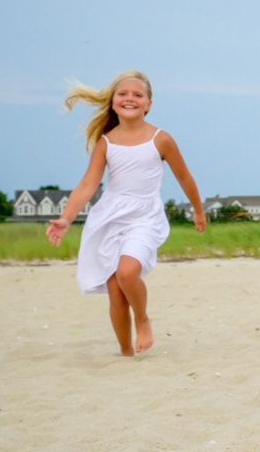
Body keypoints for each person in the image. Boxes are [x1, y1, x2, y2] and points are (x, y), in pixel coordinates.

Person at [47, 70, 206, 356]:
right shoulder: (106, 143)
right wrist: (66, 218)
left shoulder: (161, 139)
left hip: (145, 217)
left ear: (148, 104)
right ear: (112, 101)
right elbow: (87, 184)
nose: (129, 98)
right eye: (123, 93)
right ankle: (125, 352)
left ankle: (142, 319)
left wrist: (198, 210)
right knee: (114, 288)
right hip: (109, 218)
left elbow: (184, 177)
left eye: (137, 95)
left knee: (127, 272)